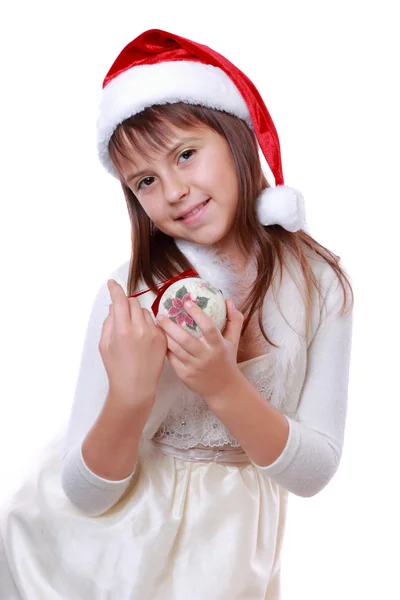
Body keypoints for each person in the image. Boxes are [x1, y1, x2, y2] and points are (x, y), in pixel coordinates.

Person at [0, 28, 354, 600]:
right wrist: (130, 395)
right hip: (107, 561)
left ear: (235, 137)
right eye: (145, 181)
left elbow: (313, 472)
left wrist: (222, 386)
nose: (173, 191)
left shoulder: (318, 287)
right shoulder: (131, 293)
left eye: (185, 154)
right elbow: (87, 494)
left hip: (229, 559)